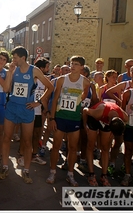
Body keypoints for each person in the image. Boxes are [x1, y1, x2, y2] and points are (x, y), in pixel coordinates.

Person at [0, 46, 54, 184]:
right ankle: (5, 167)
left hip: (27, 109)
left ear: (23, 58)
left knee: (27, 141)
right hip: (12, 107)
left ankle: (26, 170)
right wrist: (10, 73)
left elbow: (50, 87)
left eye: (15, 57)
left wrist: (38, 102)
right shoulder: (13, 69)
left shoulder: (34, 70)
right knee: (7, 138)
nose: (13, 60)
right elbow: (5, 89)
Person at [46, 55, 90, 187]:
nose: (73, 66)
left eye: (76, 64)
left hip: (74, 119)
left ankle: (70, 174)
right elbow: (54, 100)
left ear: (82, 67)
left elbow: (85, 94)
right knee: (56, 147)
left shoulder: (85, 82)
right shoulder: (61, 80)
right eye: (72, 63)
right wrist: (52, 118)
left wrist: (78, 101)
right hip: (60, 117)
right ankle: (52, 171)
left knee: (72, 148)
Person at [82, 101, 128, 186]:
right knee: (90, 145)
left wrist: (113, 134)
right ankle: (91, 174)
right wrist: (85, 125)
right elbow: (85, 110)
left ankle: (104, 175)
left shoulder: (123, 116)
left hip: (107, 120)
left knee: (105, 148)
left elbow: (126, 121)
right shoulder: (99, 112)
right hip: (94, 119)